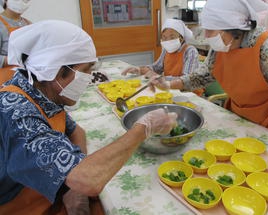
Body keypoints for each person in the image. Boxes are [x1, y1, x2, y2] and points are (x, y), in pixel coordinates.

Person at [0, 20, 177, 214]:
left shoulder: (41, 91)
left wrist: (73, 188)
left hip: (50, 193)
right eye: (86, 70)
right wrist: (144, 127)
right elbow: (88, 179)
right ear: (58, 73)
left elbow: (76, 131)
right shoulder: (18, 114)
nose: (90, 76)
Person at [150, 0, 268, 153]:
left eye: (211, 30)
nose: (206, 36)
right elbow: (202, 76)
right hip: (240, 119)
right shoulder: (221, 48)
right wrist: (169, 84)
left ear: (233, 29)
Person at [121, 18, 204, 96]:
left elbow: (187, 80)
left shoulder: (190, 51)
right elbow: (156, 67)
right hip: (171, 90)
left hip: (189, 94)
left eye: (172, 37)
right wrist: (139, 70)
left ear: (181, 38)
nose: (168, 41)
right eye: (164, 37)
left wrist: (160, 78)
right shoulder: (167, 50)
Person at [0, 0, 31, 84]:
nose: (22, 2)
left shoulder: (29, 24)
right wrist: (13, 59)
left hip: (23, 79)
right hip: (3, 80)